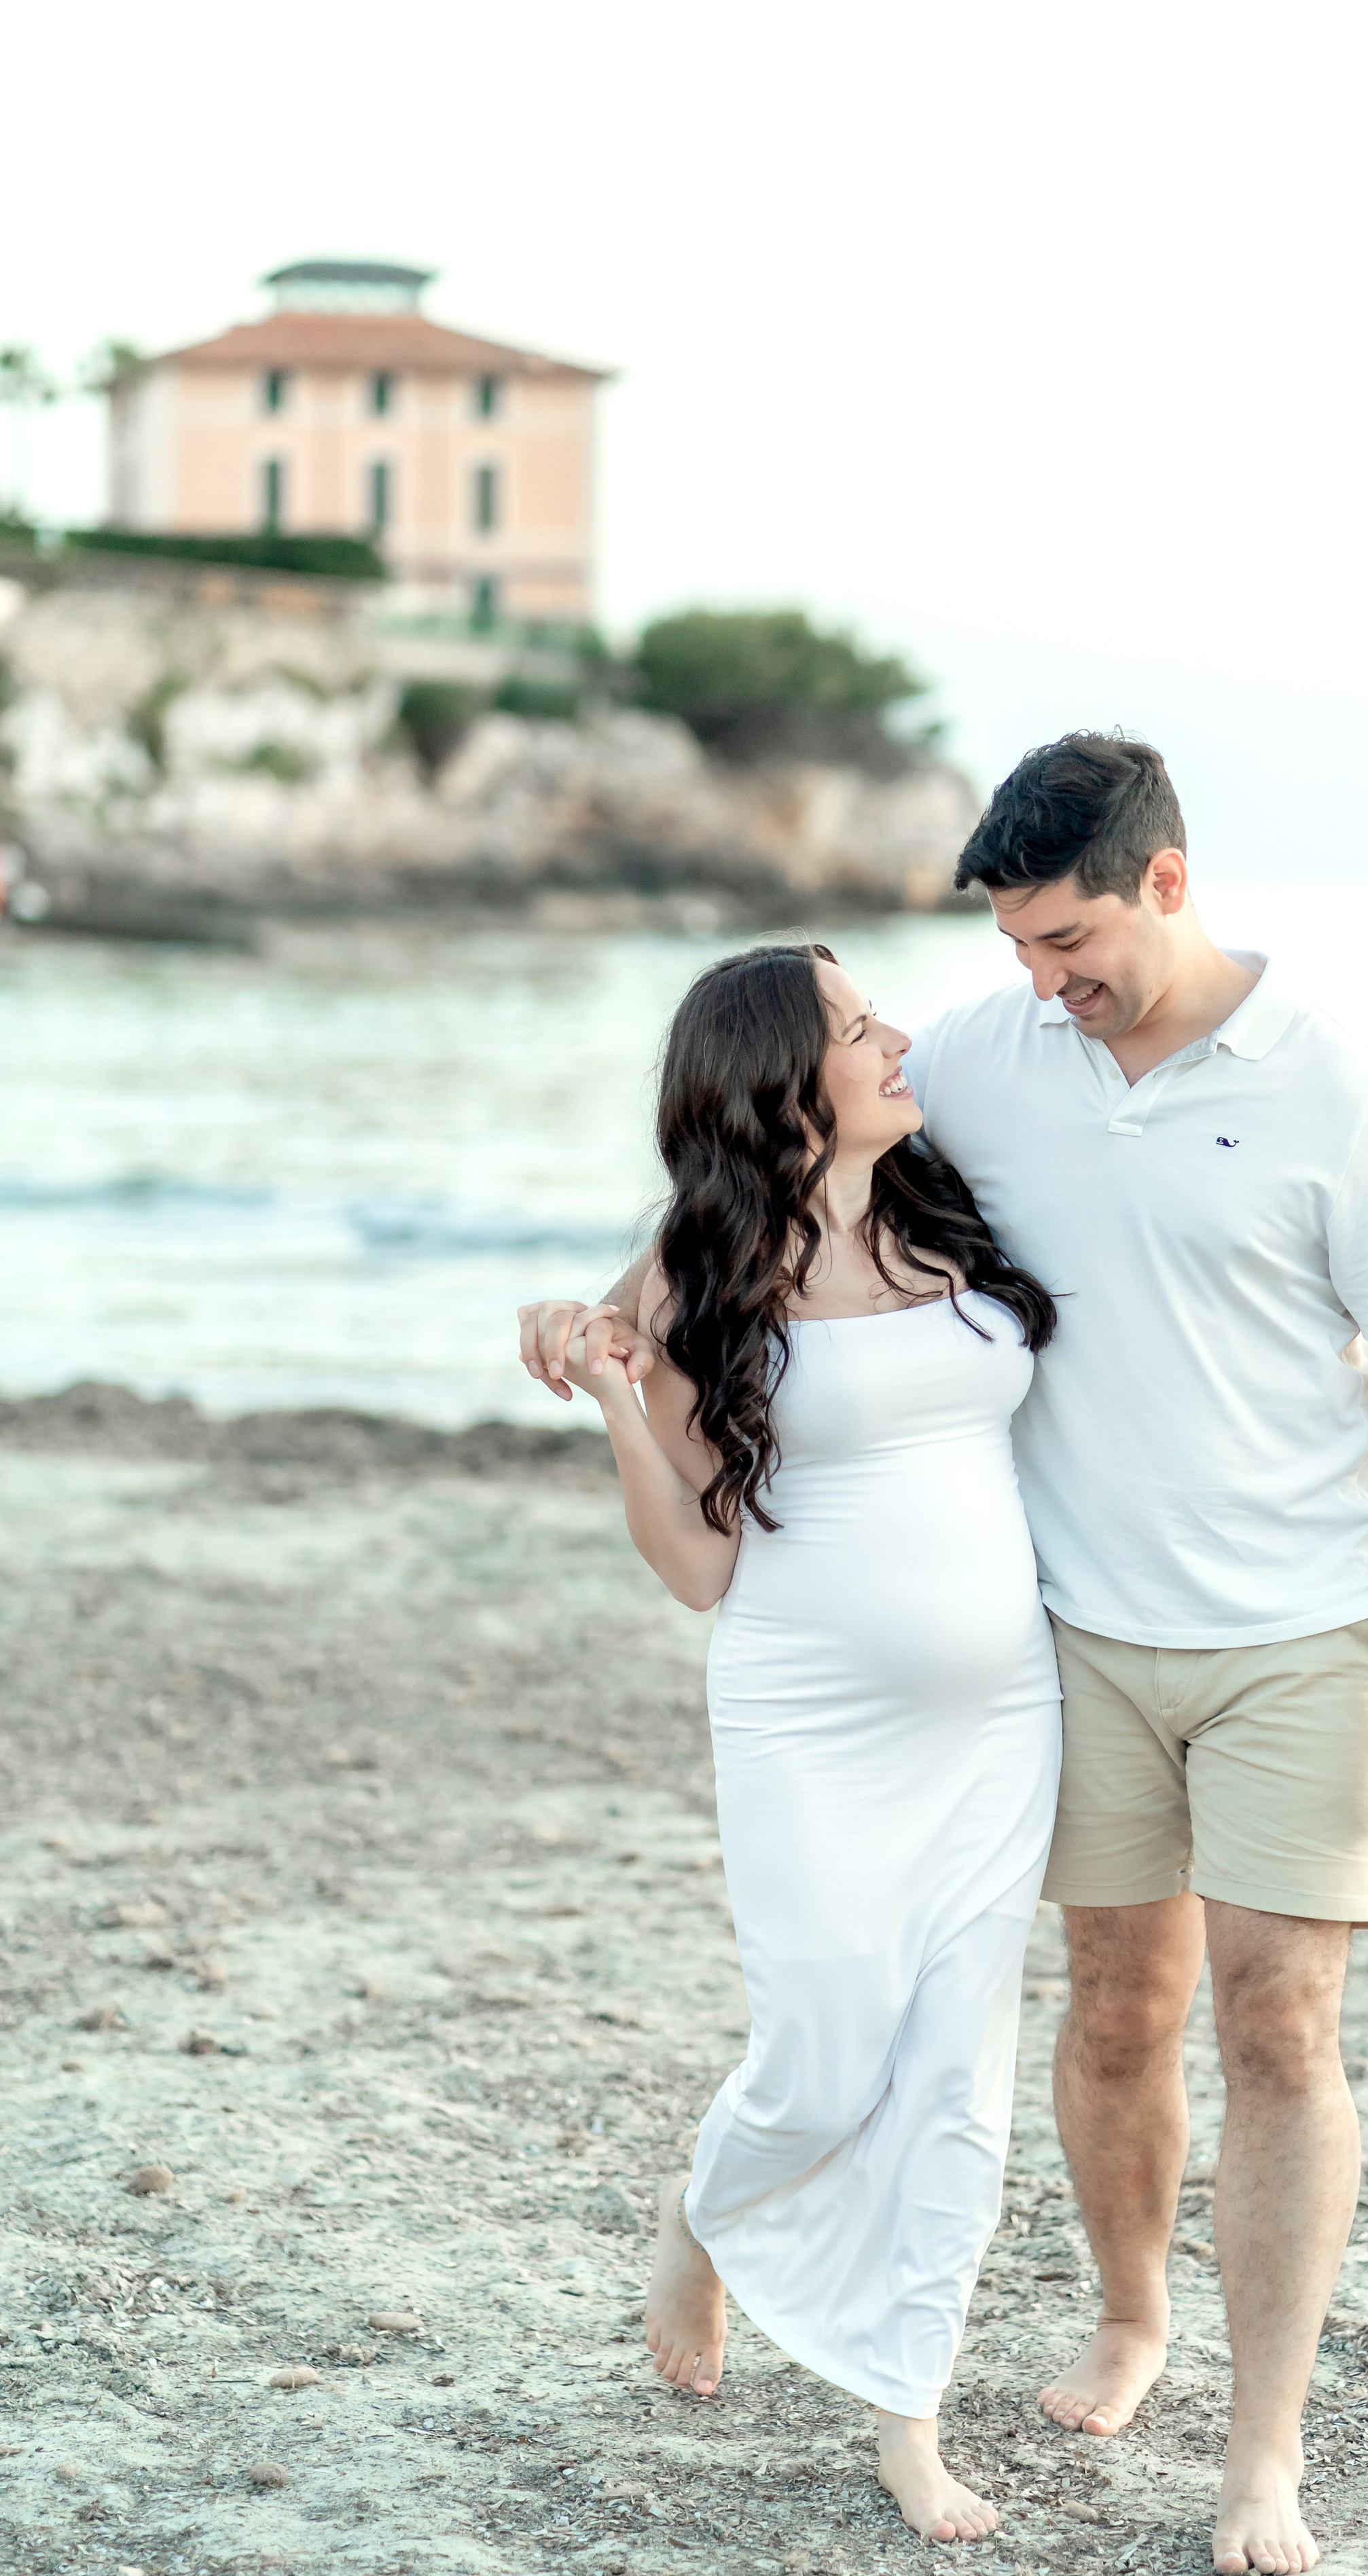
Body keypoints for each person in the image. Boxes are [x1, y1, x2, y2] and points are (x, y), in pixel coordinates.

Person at [522, 733, 1368, 2576]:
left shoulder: (1328, 1094)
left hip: (1257, 1636)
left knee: (1254, 2027)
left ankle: (1246, 2459)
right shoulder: (989, 1053)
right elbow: (744, 1187)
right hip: (1064, 1650)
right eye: (1016, 951)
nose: (1035, 987)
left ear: (1168, 883)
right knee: (1092, 2016)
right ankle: (1098, 2312)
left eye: (1068, 943)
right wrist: (605, 1323)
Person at [539, 939, 1062, 2545]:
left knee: (955, 2083)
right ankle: (703, 2219)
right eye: (855, 1029)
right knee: (823, 2050)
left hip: (999, 1720)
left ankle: (908, 2416)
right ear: (785, 1083)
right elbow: (701, 1565)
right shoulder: (699, 1275)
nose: (898, 1039)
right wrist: (620, 1398)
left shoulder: (953, 1204)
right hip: (804, 1719)